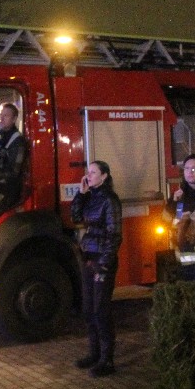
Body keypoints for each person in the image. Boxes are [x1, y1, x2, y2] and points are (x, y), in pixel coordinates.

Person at [71, 160, 122, 377]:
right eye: (88, 172)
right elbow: (75, 218)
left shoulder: (110, 200)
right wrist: (81, 194)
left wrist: (104, 263)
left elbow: (114, 234)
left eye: (93, 172)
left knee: (101, 311)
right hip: (89, 258)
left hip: (102, 260)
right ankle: (94, 353)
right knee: (89, 309)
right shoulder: (91, 197)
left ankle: (107, 360)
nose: (88, 176)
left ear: (104, 176)